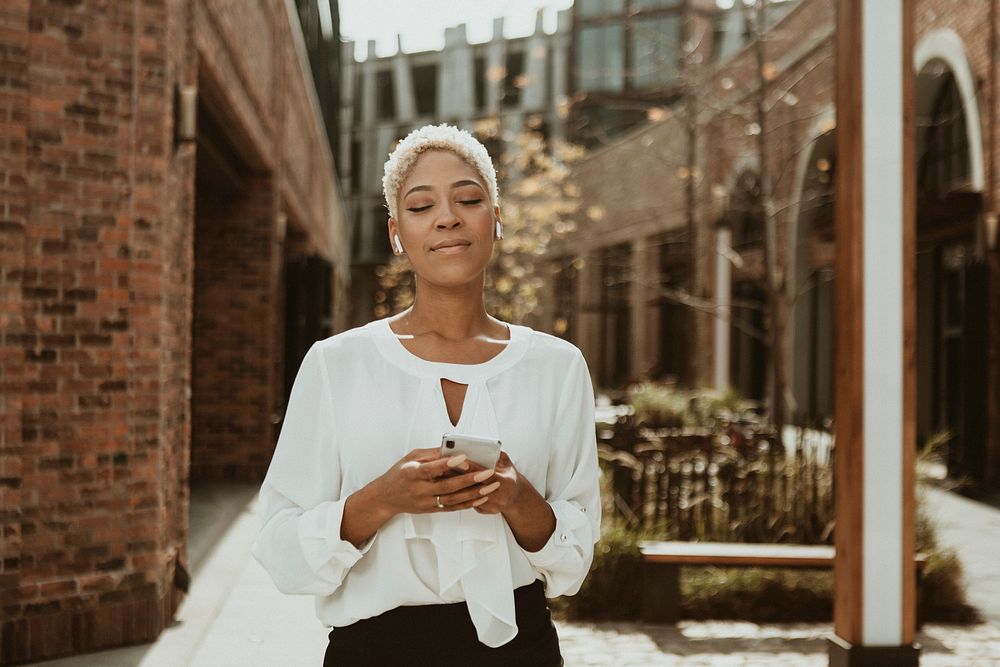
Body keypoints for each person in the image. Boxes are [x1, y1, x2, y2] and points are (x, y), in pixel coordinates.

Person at [251, 123, 601, 666]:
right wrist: (382, 499)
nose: (447, 218)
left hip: (521, 650)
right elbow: (280, 548)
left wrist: (517, 499)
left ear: (496, 218)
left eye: (468, 199)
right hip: (374, 653)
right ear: (396, 233)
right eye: (421, 206)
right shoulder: (336, 364)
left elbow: (575, 561)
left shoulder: (557, 367)